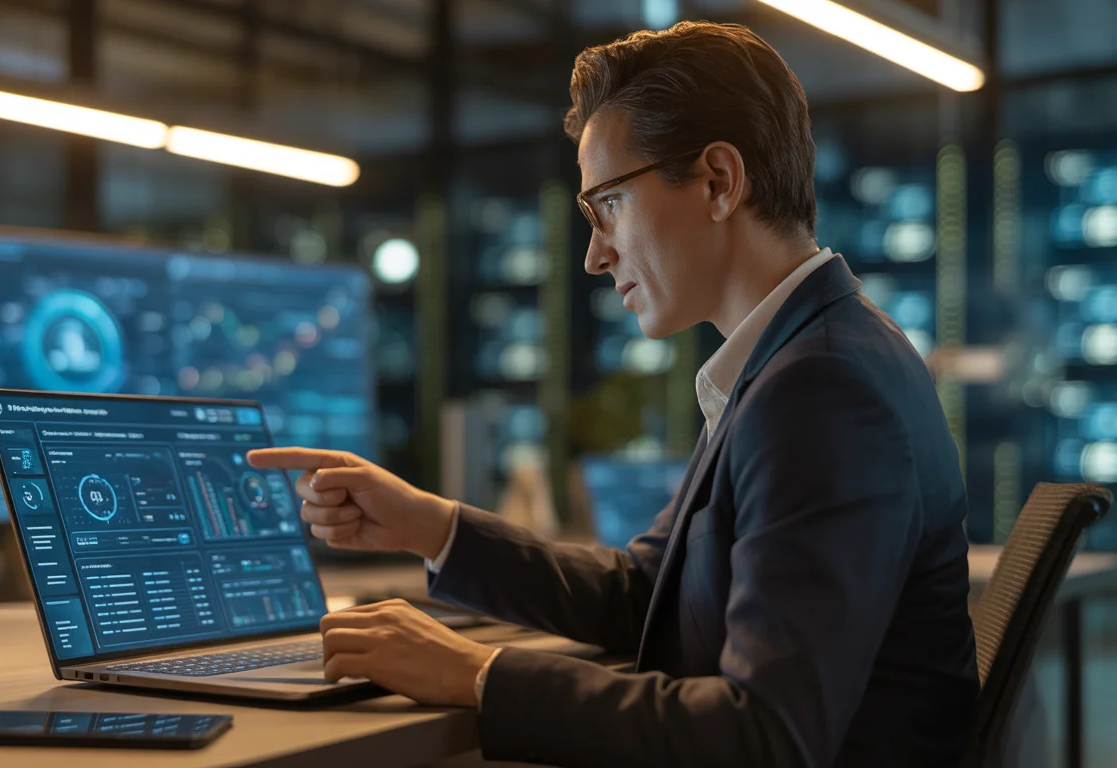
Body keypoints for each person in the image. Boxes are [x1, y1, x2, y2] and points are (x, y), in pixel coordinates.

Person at [249, 21, 978, 768]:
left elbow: (766, 737)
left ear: (718, 182)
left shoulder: (820, 390)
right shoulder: (795, 361)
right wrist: (431, 526)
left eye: (607, 205)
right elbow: (644, 594)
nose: (597, 254)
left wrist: (476, 673)